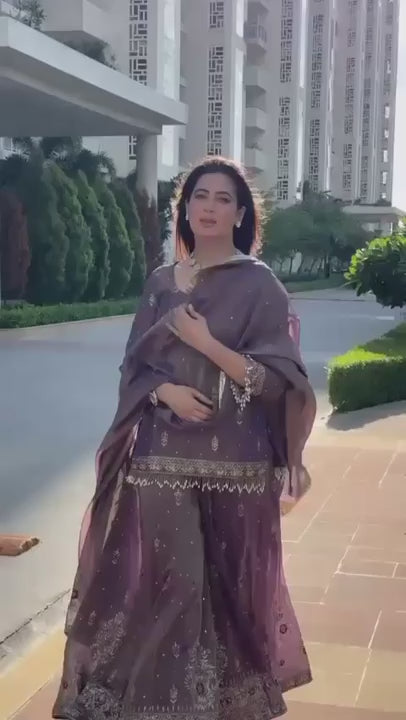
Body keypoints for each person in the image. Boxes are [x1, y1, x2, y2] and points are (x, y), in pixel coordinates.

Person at [53, 157, 316, 720]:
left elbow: (276, 382)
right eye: (200, 196)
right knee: (176, 582)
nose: (210, 207)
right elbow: (134, 368)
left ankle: (221, 701)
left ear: (240, 214)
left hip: (238, 463)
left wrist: (205, 342)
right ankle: (161, 705)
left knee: (229, 591)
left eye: (223, 199)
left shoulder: (259, 284)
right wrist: (163, 393)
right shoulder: (159, 283)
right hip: (161, 456)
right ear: (186, 208)